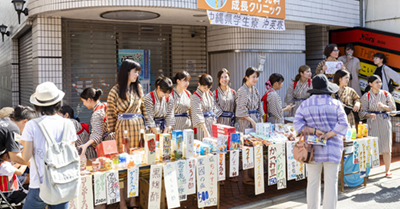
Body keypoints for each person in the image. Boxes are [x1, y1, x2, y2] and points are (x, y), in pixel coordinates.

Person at [293, 74, 349, 209]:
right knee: (331, 182)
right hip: (333, 147)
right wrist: (329, 134)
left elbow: (297, 125)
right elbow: (344, 123)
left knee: (312, 182)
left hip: (312, 149)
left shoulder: (305, 104)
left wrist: (313, 131)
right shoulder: (335, 104)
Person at [20, 81, 77, 208]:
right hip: (63, 181)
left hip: (40, 183)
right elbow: (71, 152)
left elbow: (26, 157)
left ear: (38, 106)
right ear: (59, 103)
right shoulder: (68, 124)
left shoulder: (31, 125)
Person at [107, 59, 147, 209]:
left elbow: (144, 110)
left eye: (138, 72)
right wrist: (111, 133)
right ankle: (122, 201)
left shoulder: (139, 88)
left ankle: (133, 200)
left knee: (135, 163)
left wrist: (148, 128)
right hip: (122, 131)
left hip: (138, 129)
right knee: (122, 165)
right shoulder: (114, 91)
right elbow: (110, 114)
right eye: (134, 71)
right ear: (126, 72)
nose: (137, 74)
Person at [359, 75, 396, 178]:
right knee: (370, 147)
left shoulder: (385, 94)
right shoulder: (366, 96)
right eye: (377, 82)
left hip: (384, 121)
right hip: (372, 122)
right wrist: (368, 115)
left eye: (380, 82)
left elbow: (393, 110)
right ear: (370, 84)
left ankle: (388, 170)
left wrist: (384, 107)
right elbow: (361, 112)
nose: (379, 84)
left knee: (386, 147)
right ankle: (367, 171)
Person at [236, 67, 264, 185]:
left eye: (256, 77)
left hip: (254, 121)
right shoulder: (242, 90)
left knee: (255, 147)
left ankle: (252, 172)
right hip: (245, 123)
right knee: (246, 148)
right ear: (246, 77)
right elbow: (240, 110)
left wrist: (261, 119)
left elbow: (259, 106)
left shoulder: (255, 90)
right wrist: (251, 120)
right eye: (253, 77)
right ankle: (246, 176)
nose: (255, 79)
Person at [190, 74, 218, 141]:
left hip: (212, 123)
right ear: (199, 84)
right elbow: (198, 114)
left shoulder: (209, 93)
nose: (206, 90)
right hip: (203, 126)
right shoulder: (195, 96)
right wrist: (205, 131)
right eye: (204, 88)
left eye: (208, 88)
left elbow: (214, 108)